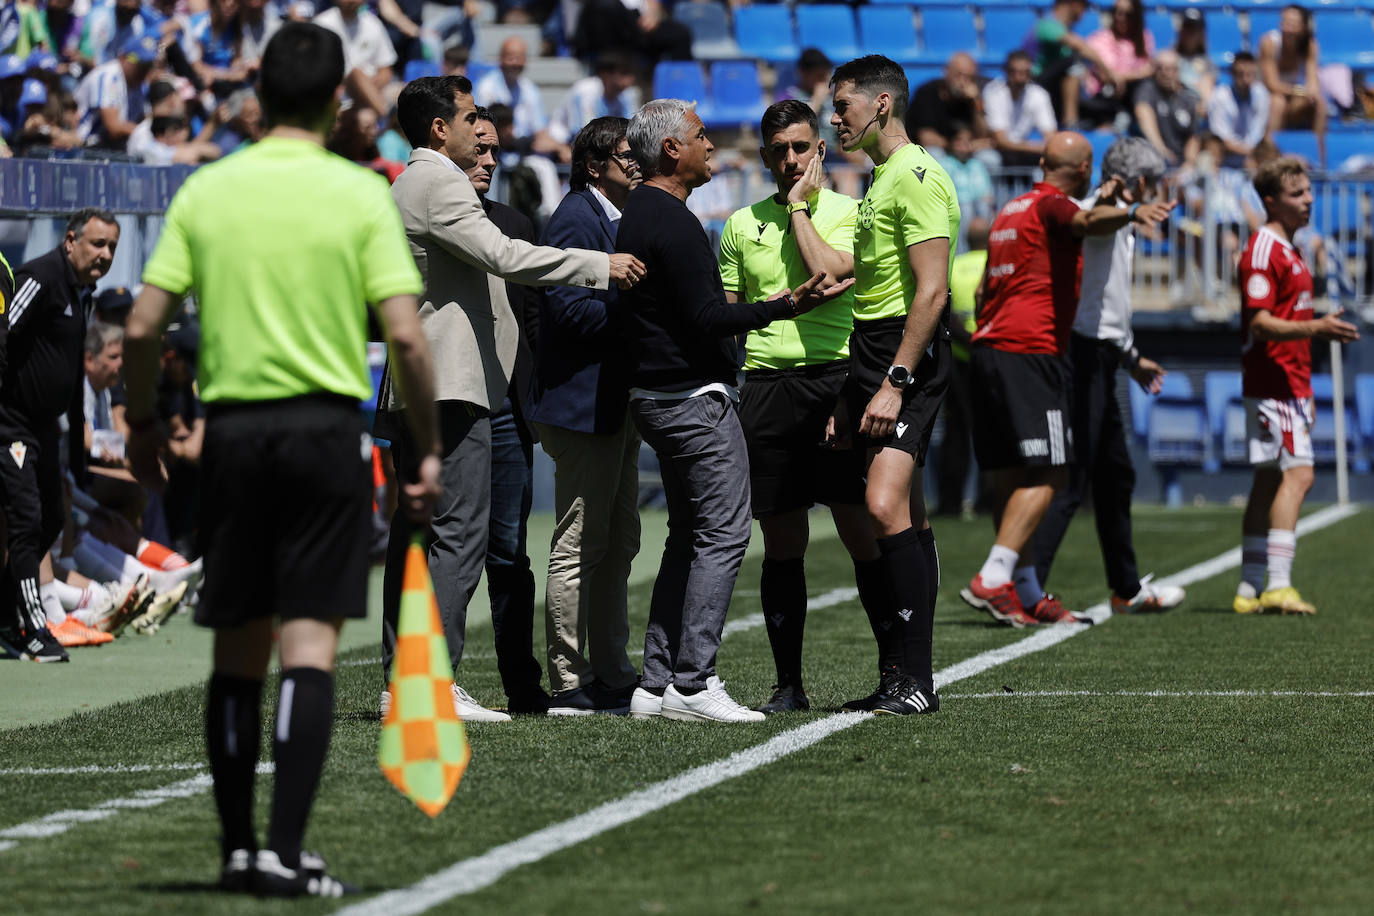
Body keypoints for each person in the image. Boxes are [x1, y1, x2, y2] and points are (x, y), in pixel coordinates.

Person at [121, 21, 441, 896]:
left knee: (237, 658)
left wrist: (143, 419)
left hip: (232, 437)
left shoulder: (209, 190)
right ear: (339, 99)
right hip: (322, 437)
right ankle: (288, 852)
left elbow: (144, 323)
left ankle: (235, 853)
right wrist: (428, 447)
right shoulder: (358, 193)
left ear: (257, 95)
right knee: (309, 650)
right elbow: (408, 339)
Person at [379, 74, 644, 723]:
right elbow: (500, 254)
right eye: (471, 119)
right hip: (448, 383)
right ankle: (425, 687)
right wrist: (595, 266)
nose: (482, 132)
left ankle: (417, 682)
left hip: (470, 386)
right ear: (440, 128)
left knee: (452, 538)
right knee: (456, 534)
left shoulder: (427, 183)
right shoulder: (434, 180)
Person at [616, 98, 851, 723]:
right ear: (672, 150)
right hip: (690, 399)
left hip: (658, 397)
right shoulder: (672, 220)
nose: (712, 145)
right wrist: (784, 306)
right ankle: (694, 683)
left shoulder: (645, 211)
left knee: (687, 535)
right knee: (724, 533)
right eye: (700, 135)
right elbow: (706, 318)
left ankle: (656, 681)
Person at [961, 131, 1172, 627]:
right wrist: (1129, 212)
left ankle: (1026, 592)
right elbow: (1080, 219)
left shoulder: (1010, 208)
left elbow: (983, 288)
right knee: (1055, 471)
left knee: (1014, 476)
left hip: (988, 347)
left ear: (1039, 161)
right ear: (1082, 171)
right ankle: (995, 575)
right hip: (1030, 352)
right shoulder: (1055, 206)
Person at [716, 99, 873, 713]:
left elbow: (831, 279)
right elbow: (728, 318)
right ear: (762, 157)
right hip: (764, 388)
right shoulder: (738, 224)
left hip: (836, 379)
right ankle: (788, 685)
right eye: (778, 150)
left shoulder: (854, 214)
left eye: (800, 148)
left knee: (859, 527)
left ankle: (894, 670)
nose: (789, 159)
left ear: (820, 151)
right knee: (782, 541)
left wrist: (802, 208)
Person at [826, 55, 958, 716]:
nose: (833, 118)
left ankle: (918, 681)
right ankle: (902, 676)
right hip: (872, 352)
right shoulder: (881, 178)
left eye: (842, 104)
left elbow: (932, 292)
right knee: (896, 515)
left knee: (882, 508)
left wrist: (894, 382)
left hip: (907, 356)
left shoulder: (917, 175)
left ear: (881, 104)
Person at [1028, 137, 1187, 615]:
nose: (1152, 194)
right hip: (1081, 354)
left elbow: (1109, 309)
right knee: (1072, 477)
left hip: (1103, 354)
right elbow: (1091, 220)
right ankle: (1023, 589)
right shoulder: (1097, 212)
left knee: (1115, 474)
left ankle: (1126, 588)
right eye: (1150, 186)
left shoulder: (1118, 218)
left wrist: (1132, 358)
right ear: (1139, 183)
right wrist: (1132, 211)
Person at [532, 116, 644, 716]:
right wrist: (640, 316)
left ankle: (610, 666)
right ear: (595, 165)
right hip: (581, 407)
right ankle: (570, 680)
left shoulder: (609, 217)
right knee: (579, 543)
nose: (637, 162)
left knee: (619, 537)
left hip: (610, 403)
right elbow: (569, 312)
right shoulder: (577, 217)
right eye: (626, 155)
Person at [1231, 158, 1358, 616]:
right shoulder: (1263, 250)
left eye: (1308, 191)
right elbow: (1261, 324)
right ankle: (1279, 585)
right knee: (1299, 475)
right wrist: (1317, 328)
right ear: (1271, 202)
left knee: (1267, 481)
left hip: (1290, 384)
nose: (1309, 200)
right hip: (1273, 382)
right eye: (1297, 194)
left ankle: (1248, 589)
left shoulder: (1291, 247)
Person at [0, 208, 119, 664]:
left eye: (112, 247)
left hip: (45, 431)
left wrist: (72, 448)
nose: (105, 255)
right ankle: (33, 627)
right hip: (12, 426)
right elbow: (5, 332)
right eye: (97, 244)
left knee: (51, 519)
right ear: (70, 240)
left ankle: (9, 617)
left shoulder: (81, 292)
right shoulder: (41, 276)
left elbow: (69, 377)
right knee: (26, 522)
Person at [462, 107, 549, 714]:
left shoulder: (516, 222)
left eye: (495, 151)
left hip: (508, 414)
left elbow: (536, 322)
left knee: (509, 553)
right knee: (447, 549)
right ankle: (424, 680)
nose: (489, 162)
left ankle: (522, 682)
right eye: (480, 150)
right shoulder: (424, 220)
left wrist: (535, 407)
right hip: (451, 408)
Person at [936, 216, 989, 518]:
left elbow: (947, 311)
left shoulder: (954, 266)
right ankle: (987, 502)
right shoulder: (995, 266)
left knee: (956, 434)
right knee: (990, 432)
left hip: (958, 357)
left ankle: (950, 503)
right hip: (988, 356)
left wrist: (966, 339)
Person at [1023, 0, 1115, 126]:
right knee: (1073, 62)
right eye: (1084, 6)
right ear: (1075, 4)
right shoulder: (1047, 24)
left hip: (1056, 89)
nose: (1085, 12)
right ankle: (1070, 122)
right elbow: (1080, 46)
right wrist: (1108, 73)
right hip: (1035, 85)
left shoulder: (1066, 30)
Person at [473, 36, 565, 161]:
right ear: (500, 58)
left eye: (520, 57)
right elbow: (480, 128)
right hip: (492, 151)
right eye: (510, 56)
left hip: (524, 151)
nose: (515, 62)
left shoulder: (530, 89)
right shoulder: (486, 87)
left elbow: (540, 132)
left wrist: (560, 148)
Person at [1258, 4, 1326, 167]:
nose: (1287, 28)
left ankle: (1320, 159)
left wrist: (1310, 94)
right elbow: (1272, 84)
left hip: (1295, 101)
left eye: (1292, 23)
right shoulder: (1269, 43)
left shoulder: (1310, 46)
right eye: (1284, 22)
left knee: (1319, 104)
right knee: (1278, 102)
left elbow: (1313, 81)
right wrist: (1301, 91)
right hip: (1267, 98)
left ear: (1303, 27)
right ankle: (1270, 155)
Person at [74, 31, 158, 150]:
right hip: (82, 146)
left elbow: (144, 119)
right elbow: (114, 127)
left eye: (148, 65)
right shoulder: (109, 76)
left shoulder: (140, 85)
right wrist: (152, 131)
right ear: (123, 57)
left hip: (106, 149)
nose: (143, 70)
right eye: (139, 63)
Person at [1080, 0, 1154, 128]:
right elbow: (1105, 75)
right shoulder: (1100, 38)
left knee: (1146, 86)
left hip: (1133, 92)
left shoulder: (1144, 38)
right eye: (1116, 12)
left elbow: (1148, 70)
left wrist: (1122, 78)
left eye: (1127, 14)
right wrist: (1128, 76)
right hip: (1104, 93)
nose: (1120, 17)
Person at [314, 0, 396, 115]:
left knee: (403, 91)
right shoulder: (322, 24)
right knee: (356, 74)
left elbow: (385, 69)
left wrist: (369, 89)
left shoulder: (373, 23)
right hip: (339, 91)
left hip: (375, 88)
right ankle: (386, 115)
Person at [983, 51, 1058, 169]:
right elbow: (1001, 141)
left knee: (1051, 159)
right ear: (1007, 72)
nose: (1020, 77)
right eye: (1015, 72)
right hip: (1000, 152)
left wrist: (1039, 148)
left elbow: (1050, 136)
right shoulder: (994, 93)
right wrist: (1037, 147)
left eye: (1025, 72)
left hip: (1024, 152)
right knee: (989, 159)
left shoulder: (1039, 94)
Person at [547, 51, 639, 147]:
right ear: (605, 74)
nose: (631, 79)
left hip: (605, 144)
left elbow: (631, 130)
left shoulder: (627, 94)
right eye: (624, 73)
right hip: (564, 143)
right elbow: (583, 133)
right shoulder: (585, 91)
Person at [905, 52, 989, 155]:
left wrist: (977, 102)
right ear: (947, 72)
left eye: (969, 78)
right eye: (959, 75)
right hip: (937, 152)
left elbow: (983, 136)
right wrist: (954, 145)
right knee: (935, 153)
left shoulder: (972, 99)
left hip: (966, 153)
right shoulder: (927, 93)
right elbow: (926, 138)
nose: (963, 82)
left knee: (988, 157)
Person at [1133, 50, 1201, 168]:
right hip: (1153, 160)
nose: (1166, 73)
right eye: (1161, 68)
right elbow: (1143, 114)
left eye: (1171, 69)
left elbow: (1193, 136)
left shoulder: (1188, 98)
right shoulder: (1147, 90)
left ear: (1178, 71)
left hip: (1181, 162)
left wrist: (1189, 164)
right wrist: (1162, 151)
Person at [1208, 52, 1271, 170]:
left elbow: (1260, 130)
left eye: (1250, 74)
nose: (1246, 80)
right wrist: (1248, 152)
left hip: (1254, 154)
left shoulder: (1261, 93)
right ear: (1232, 74)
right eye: (1240, 74)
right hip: (1226, 154)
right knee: (1213, 149)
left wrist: (1254, 153)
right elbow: (1221, 138)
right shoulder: (1220, 96)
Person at [936, 122, 994, 221]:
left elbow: (987, 193)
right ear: (951, 142)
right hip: (956, 208)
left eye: (968, 141)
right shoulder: (944, 164)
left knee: (985, 207)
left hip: (978, 207)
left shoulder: (977, 164)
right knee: (965, 208)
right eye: (959, 141)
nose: (964, 145)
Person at [1174, 8, 1216, 109]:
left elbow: (1206, 91)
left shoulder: (1207, 62)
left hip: (1196, 107)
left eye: (1195, 29)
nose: (1190, 33)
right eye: (1187, 27)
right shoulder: (1170, 57)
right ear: (1181, 31)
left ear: (1201, 33)